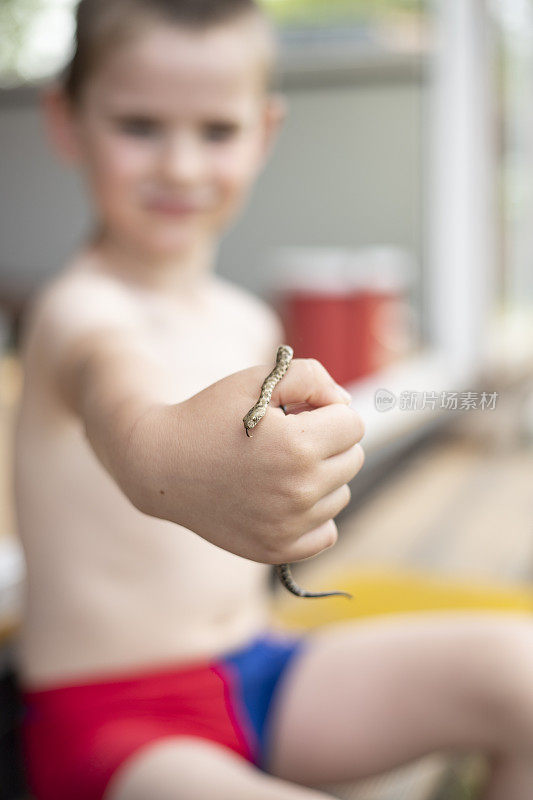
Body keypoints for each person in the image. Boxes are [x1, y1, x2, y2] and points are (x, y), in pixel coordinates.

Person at [13, 1, 533, 798]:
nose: (181, 166)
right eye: (139, 126)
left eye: (216, 131)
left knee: (521, 670)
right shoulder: (78, 315)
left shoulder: (251, 319)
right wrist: (171, 461)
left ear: (265, 132)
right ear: (66, 121)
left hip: (264, 672)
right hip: (114, 725)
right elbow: (131, 422)